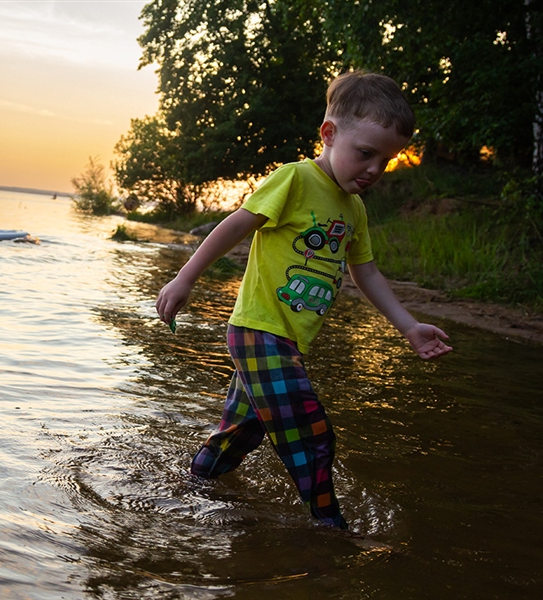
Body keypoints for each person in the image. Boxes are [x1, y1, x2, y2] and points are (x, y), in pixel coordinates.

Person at [156, 70, 453, 531]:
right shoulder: (294, 180)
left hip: (288, 341)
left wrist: (408, 326)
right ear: (330, 135)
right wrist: (184, 279)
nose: (375, 169)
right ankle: (329, 527)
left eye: (387, 160)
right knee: (312, 431)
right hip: (258, 330)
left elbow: (366, 271)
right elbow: (236, 224)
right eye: (366, 153)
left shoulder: (354, 209)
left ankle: (193, 485)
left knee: (242, 433)